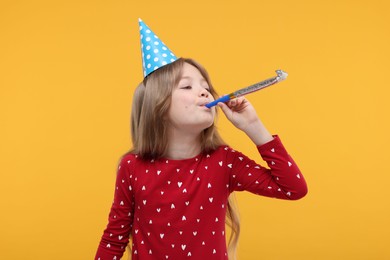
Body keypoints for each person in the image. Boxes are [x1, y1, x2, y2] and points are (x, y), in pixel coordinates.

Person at [95, 20, 307, 260]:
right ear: (157, 106)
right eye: (187, 86)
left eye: (206, 87)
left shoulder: (223, 161)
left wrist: (253, 127)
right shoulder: (132, 166)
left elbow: (293, 188)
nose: (205, 92)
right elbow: (114, 238)